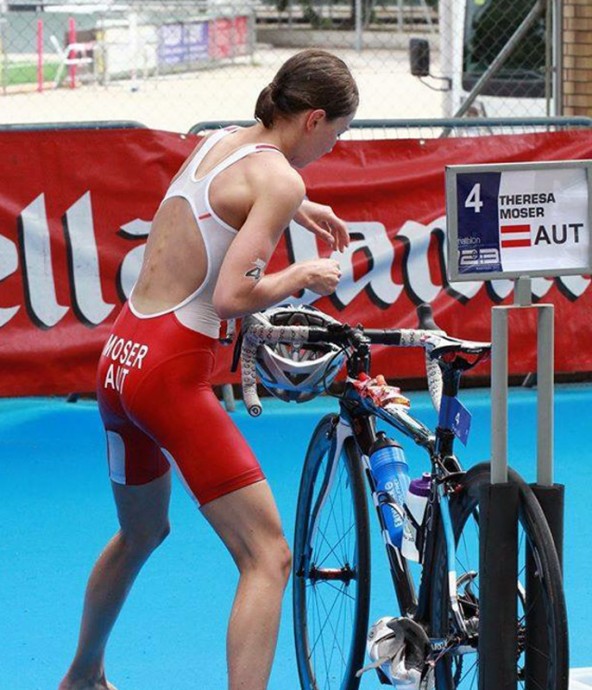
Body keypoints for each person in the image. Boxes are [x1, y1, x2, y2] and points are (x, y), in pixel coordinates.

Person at [58, 48, 359, 690]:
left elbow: (232, 196)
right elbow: (232, 297)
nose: (332, 149)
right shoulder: (281, 181)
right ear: (312, 119)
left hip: (121, 362)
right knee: (268, 557)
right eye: (336, 135)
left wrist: (300, 210)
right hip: (171, 373)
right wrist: (303, 273)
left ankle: (81, 677)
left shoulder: (223, 141)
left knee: (141, 534)